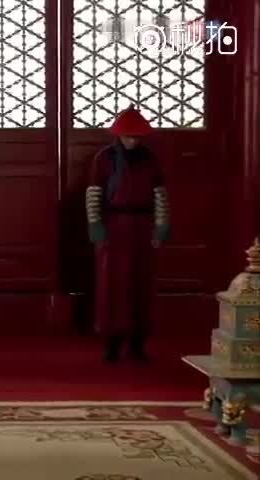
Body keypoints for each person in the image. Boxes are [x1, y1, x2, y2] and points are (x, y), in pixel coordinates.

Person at [85, 106, 170, 362]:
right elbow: (94, 193)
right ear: (119, 135)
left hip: (142, 226)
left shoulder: (151, 159)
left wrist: (161, 227)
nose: (133, 140)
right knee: (112, 285)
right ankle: (112, 342)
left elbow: (160, 194)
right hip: (114, 225)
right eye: (129, 136)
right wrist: (96, 227)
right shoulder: (104, 158)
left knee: (140, 284)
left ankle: (137, 343)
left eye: (137, 136)